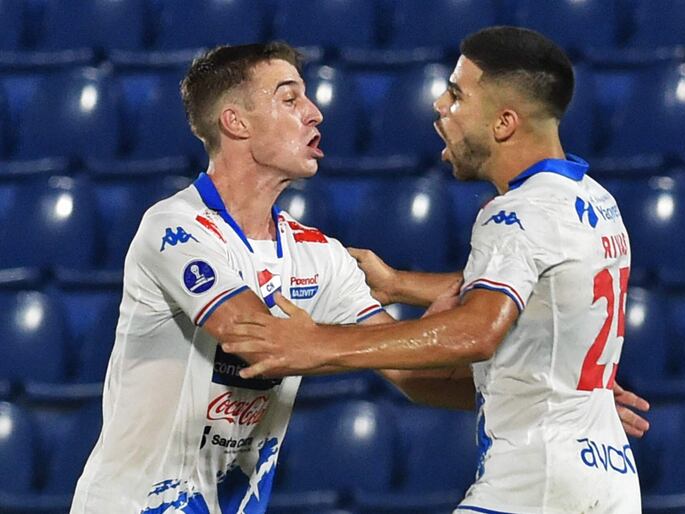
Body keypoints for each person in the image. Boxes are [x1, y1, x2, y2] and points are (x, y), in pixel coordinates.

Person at [220, 27, 646, 514]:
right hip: (606, 480)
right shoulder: (592, 199)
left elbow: (478, 330)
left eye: (458, 94)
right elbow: (540, 286)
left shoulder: (517, 212)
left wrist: (314, 343)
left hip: (535, 486)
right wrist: (399, 285)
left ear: (504, 123)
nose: (440, 105)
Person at [70, 42, 396, 513]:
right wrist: (369, 344)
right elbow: (256, 340)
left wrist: (482, 356)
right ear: (235, 122)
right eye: (290, 99)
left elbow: (407, 363)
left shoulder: (320, 256)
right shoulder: (174, 227)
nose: (315, 113)